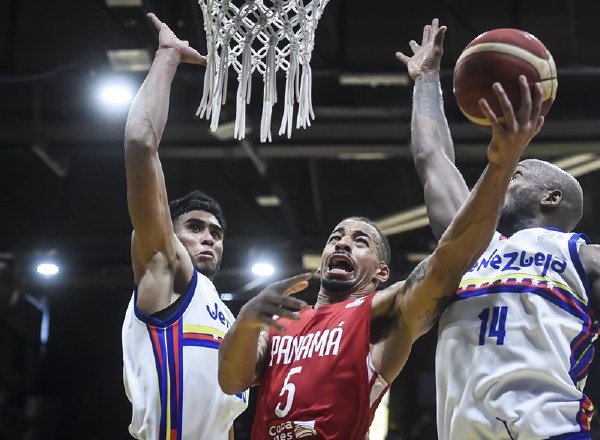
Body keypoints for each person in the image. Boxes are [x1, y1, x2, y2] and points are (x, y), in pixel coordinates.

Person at [399, 19, 600, 440]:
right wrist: (425, 80)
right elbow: (432, 156)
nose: (499, 175)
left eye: (518, 173)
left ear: (551, 197)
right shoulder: (468, 244)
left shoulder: (585, 257)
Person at [217, 44, 548, 439]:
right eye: (335, 237)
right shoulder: (281, 324)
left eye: (360, 241)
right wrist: (248, 317)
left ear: (381, 272)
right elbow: (231, 382)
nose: (342, 244)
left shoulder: (383, 314)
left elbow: (448, 259)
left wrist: (500, 163)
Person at [121, 13, 248, 440]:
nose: (209, 237)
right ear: (170, 233)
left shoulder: (225, 318)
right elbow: (141, 144)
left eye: (216, 233)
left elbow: (224, 424)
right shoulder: (164, 265)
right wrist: (168, 58)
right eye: (195, 227)